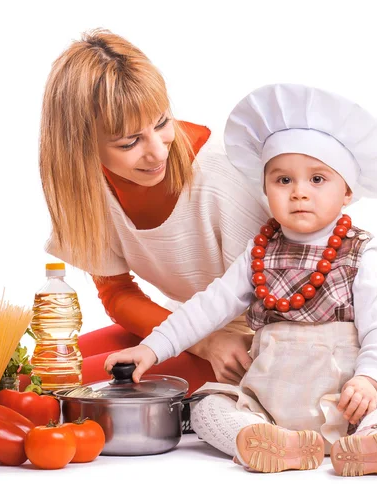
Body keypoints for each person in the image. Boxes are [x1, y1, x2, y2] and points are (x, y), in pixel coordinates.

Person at [105, 83, 377, 476]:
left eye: (317, 180)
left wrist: (367, 380)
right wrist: (152, 349)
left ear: (347, 191)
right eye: (283, 181)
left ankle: (373, 438)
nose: (299, 193)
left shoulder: (360, 253)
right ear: (264, 188)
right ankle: (264, 440)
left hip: (347, 401)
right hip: (271, 399)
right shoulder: (258, 253)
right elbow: (207, 307)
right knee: (208, 407)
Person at [39, 28, 270, 396]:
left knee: (68, 389)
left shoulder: (220, 176)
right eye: (129, 141)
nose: (158, 152)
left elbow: (286, 299)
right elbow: (117, 294)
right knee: (38, 375)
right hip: (188, 331)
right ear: (80, 146)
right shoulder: (85, 189)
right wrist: (202, 340)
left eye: (162, 123)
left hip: (251, 339)